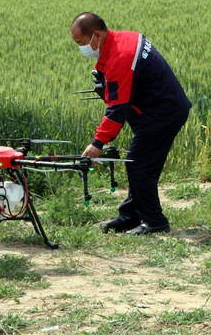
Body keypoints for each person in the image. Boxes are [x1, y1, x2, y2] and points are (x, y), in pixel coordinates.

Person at [70, 12, 191, 235]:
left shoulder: (121, 56)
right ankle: (130, 215)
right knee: (138, 162)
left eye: (81, 42)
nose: (81, 48)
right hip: (160, 106)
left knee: (139, 164)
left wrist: (97, 143)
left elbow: (118, 109)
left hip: (163, 112)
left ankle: (155, 221)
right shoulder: (125, 38)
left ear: (96, 34)